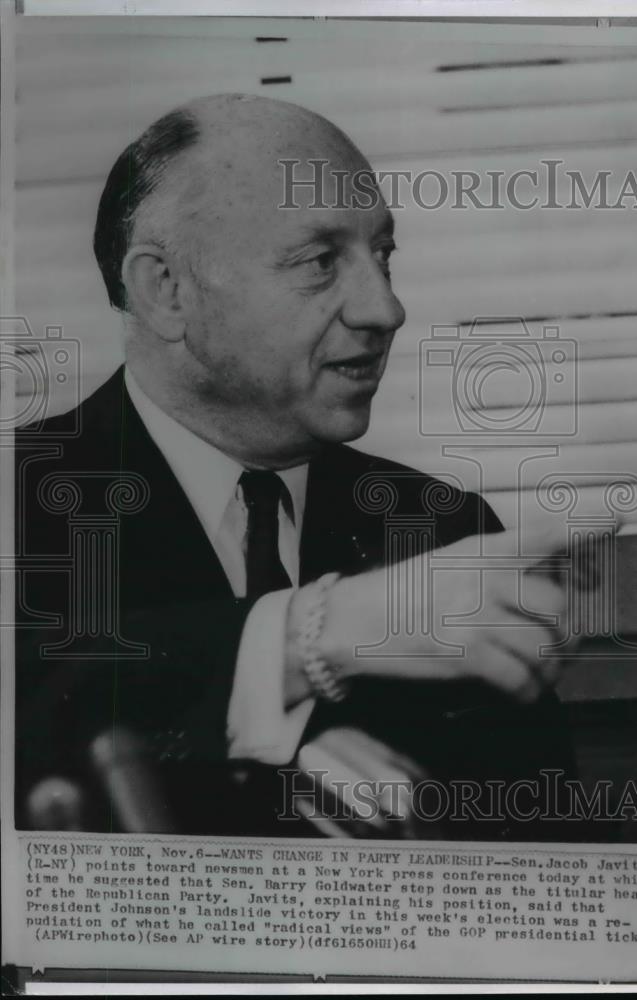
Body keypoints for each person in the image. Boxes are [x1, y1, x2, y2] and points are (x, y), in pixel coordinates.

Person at [15, 94, 592, 840]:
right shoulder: (21, 497)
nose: (385, 308)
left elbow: (544, 853)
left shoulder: (440, 527)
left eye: (381, 255)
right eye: (321, 261)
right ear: (166, 291)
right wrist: (311, 637)